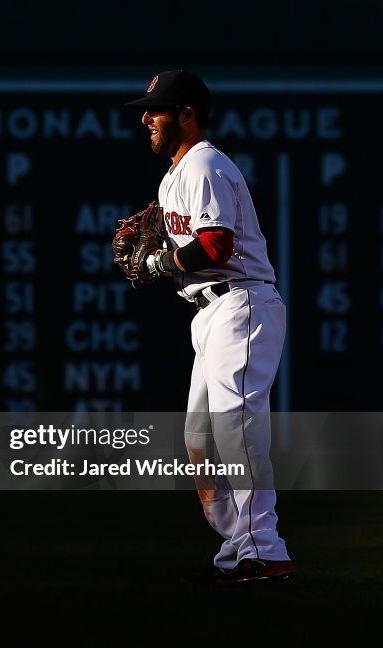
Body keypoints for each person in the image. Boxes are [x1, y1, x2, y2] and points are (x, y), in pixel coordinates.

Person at [122, 70, 294, 584]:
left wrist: (158, 263)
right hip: (209, 311)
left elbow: (216, 245)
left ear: (187, 114)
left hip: (241, 304)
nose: (147, 118)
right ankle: (240, 547)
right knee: (199, 439)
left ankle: (265, 549)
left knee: (234, 428)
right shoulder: (174, 175)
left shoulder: (205, 165)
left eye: (157, 109)